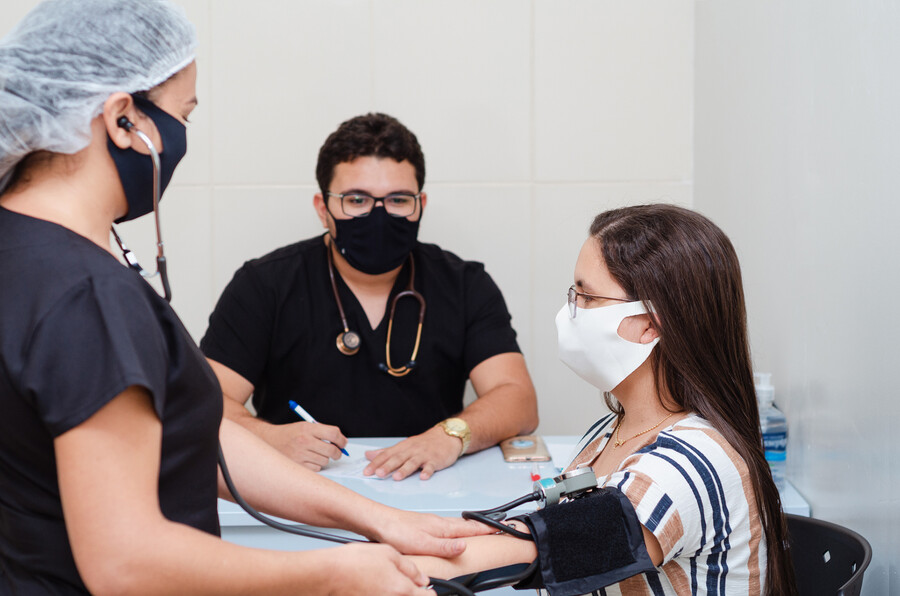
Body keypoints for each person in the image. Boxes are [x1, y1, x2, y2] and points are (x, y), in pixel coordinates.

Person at [0, 2, 488, 594]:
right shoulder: (87, 294)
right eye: (182, 114)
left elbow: (192, 439)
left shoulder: (26, 250)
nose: (182, 136)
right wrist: (333, 575)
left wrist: (378, 519)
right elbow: (125, 563)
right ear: (123, 120)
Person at [410, 204, 798, 595]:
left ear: (649, 325)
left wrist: (373, 560)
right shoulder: (610, 432)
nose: (569, 312)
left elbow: (542, 552)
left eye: (587, 297)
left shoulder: (687, 465)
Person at [201, 113, 539, 480]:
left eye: (398, 199)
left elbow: (518, 400)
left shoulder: (464, 283)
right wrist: (269, 438)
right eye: (357, 199)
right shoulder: (264, 284)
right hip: (299, 488)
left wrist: (450, 436)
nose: (378, 215)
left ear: (420, 203)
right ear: (322, 208)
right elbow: (205, 404)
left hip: (426, 486)